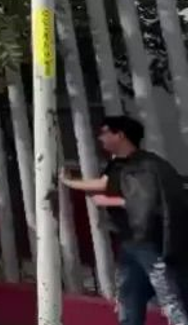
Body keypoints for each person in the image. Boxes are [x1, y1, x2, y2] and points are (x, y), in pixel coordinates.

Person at [61, 116, 188, 325]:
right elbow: (103, 185)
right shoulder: (120, 166)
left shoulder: (147, 165)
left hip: (148, 240)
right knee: (130, 294)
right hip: (132, 242)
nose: (100, 137)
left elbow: (147, 201)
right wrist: (70, 183)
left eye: (105, 132)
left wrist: (115, 200)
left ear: (120, 135)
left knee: (168, 294)